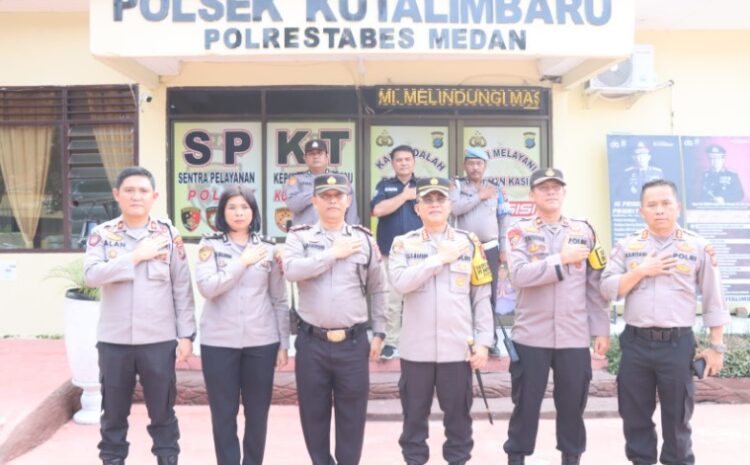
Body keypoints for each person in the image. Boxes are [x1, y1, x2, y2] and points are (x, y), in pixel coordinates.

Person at [601, 179, 730, 465]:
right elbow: (607, 289)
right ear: (641, 210)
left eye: (666, 203)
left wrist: (716, 347)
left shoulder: (698, 247)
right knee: (634, 417)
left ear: (678, 207)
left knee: (677, 420)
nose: (659, 210)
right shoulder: (627, 246)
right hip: (635, 343)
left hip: (677, 344)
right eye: (652, 205)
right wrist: (641, 271)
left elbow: (713, 299)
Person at [84, 166, 196, 465]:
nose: (136, 196)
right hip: (114, 341)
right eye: (130, 190)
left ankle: (167, 459)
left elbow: (182, 287)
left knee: (162, 412)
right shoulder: (102, 234)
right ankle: (112, 460)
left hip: (157, 341)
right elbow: (91, 275)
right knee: (114, 413)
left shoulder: (169, 235)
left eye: (143, 191)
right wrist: (135, 256)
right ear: (117, 194)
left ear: (154, 196)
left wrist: (186, 335)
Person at [503, 167, 610, 465]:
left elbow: (594, 285)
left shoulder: (584, 231)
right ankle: (517, 457)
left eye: (556, 187)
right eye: (543, 188)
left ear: (564, 192)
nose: (551, 192)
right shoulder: (518, 231)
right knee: (526, 403)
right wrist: (559, 260)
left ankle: (571, 458)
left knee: (573, 404)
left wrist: (601, 329)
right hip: (531, 335)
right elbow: (520, 275)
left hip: (573, 335)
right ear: (532, 195)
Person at [282, 173, 387, 465]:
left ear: (348, 201)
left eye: (338, 196)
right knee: (313, 418)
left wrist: (380, 331)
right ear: (314, 201)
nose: (332, 201)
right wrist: (332, 254)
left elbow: (379, 288)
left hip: (353, 344)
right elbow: (291, 270)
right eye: (325, 196)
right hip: (311, 343)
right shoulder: (299, 236)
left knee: (352, 419)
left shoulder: (364, 240)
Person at [388, 176, 494, 465]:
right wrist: (438, 259)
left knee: (459, 421)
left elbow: (481, 296)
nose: (434, 205)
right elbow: (399, 283)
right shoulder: (403, 244)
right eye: (428, 200)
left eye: (440, 199)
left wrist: (484, 343)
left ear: (450, 205)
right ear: (417, 208)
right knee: (413, 422)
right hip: (416, 351)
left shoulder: (469, 243)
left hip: (457, 350)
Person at [195, 185, 289, 465]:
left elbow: (279, 299)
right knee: (223, 413)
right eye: (232, 207)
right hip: (218, 343)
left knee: (257, 414)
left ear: (253, 212)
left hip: (261, 342)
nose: (239, 213)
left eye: (245, 207)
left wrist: (284, 343)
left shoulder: (269, 248)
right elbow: (208, 287)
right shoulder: (209, 245)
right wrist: (241, 262)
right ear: (223, 212)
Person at [450, 146, 509, 356]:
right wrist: (479, 197)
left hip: (490, 248)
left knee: (489, 295)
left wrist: (504, 247)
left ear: (485, 166)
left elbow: (503, 219)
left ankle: (489, 339)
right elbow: (454, 209)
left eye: (479, 164)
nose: (475, 167)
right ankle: (465, 337)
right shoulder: (456, 185)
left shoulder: (496, 187)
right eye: (471, 163)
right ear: (465, 165)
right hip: (465, 248)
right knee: (463, 294)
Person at [370, 144, 422, 360]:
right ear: (393, 163)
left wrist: (414, 194)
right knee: (392, 300)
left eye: (407, 159)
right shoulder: (385, 186)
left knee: (419, 298)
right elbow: (376, 210)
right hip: (390, 252)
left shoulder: (424, 186)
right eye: (399, 160)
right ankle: (391, 342)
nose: (403, 163)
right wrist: (404, 196)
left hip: (420, 252)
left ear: (413, 162)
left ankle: (418, 340)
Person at [284, 138, 359, 227]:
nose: (316, 156)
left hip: (334, 234)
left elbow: (351, 212)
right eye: (311, 153)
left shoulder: (341, 180)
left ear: (327, 156)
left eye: (319, 153)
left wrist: (351, 233)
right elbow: (293, 205)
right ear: (305, 158)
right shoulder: (297, 180)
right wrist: (318, 190)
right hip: (305, 235)